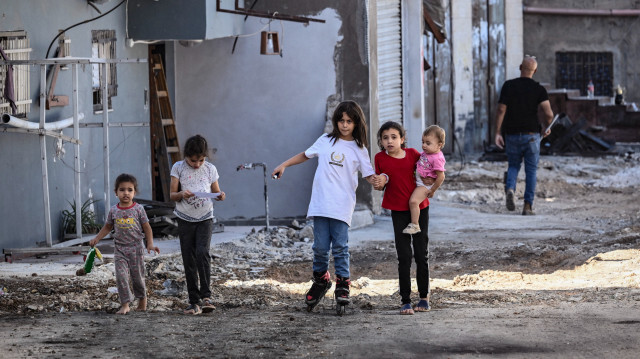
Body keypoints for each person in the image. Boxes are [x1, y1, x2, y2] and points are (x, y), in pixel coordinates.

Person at [271, 100, 382, 309]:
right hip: (321, 204)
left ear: (357, 123)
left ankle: (343, 283)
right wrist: (284, 164)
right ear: (336, 121)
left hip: (341, 206)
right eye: (341, 120)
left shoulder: (359, 148)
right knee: (320, 247)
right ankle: (321, 280)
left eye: (349, 121)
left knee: (340, 247)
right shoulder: (325, 140)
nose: (345, 125)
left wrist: (379, 180)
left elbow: (369, 175)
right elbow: (305, 155)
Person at [374, 121, 431, 315]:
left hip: (420, 209)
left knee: (421, 253)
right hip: (398, 211)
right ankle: (405, 300)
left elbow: (429, 168)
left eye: (394, 137)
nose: (389, 141)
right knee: (404, 256)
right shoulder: (380, 158)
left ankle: (424, 297)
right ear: (381, 141)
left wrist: (432, 183)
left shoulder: (414, 154)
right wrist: (380, 181)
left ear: (402, 139)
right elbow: (380, 184)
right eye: (385, 138)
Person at [170, 134, 226, 315]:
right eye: (193, 160)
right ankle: (193, 301)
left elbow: (216, 192)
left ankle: (206, 297)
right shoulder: (178, 168)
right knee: (189, 258)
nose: (197, 164)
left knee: (203, 252)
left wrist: (221, 195)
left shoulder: (210, 169)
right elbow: (172, 195)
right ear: (186, 156)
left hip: (205, 217)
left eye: (201, 160)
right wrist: (181, 195)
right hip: (185, 218)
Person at [90, 173, 160, 315]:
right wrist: (97, 238)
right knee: (121, 276)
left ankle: (142, 299)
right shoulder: (114, 210)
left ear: (134, 192)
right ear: (116, 192)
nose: (126, 193)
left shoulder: (138, 209)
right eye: (122, 190)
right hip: (120, 249)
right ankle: (125, 304)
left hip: (136, 248)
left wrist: (150, 244)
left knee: (137, 277)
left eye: (129, 190)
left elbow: (147, 227)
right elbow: (108, 227)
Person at [495, 55, 554, 215]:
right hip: (532, 136)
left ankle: (510, 188)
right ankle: (527, 206)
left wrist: (498, 132)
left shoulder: (508, 86)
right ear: (535, 71)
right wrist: (547, 127)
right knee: (531, 171)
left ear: (521, 68)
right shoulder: (539, 89)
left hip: (512, 134)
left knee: (513, 165)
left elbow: (501, 110)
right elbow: (549, 114)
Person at [402, 125, 446, 235]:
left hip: (424, 185)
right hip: (420, 181)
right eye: (423, 142)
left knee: (413, 201)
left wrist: (433, 190)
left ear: (439, 145)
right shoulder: (427, 153)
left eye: (428, 143)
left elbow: (441, 176)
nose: (423, 145)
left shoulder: (437, 158)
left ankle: (415, 225)